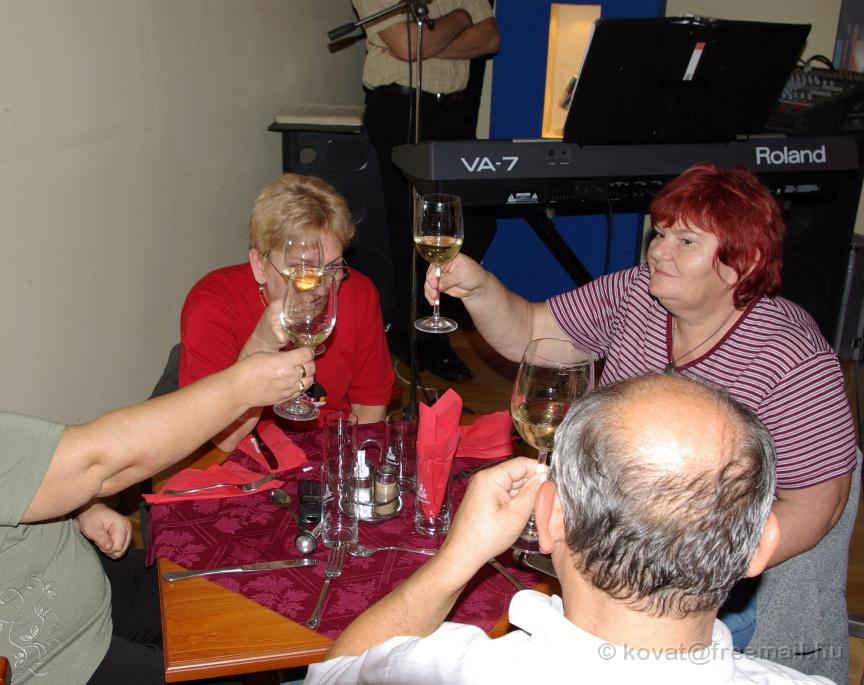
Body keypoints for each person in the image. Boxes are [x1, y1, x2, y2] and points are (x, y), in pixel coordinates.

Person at [0, 182, 315, 684]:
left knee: (256, 613)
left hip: (77, 587)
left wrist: (77, 507)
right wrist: (240, 387)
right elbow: (96, 461)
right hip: (37, 664)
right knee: (243, 657)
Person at [424, 162, 860, 681]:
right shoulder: (636, 293)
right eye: (661, 233)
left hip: (705, 580)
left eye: (686, 241)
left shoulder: (790, 356)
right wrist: (479, 288)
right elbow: (533, 332)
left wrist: (691, 573)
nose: (658, 251)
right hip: (617, 538)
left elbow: (817, 508)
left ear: (742, 263)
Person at [306, 374, 836, 684]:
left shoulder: (444, 670)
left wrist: (457, 558)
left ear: (550, 517)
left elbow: (332, 675)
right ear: (760, 546)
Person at [177, 173, 393, 450]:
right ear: (259, 265)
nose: (321, 288)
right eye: (303, 270)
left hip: (330, 449)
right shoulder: (212, 304)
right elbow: (225, 440)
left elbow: (369, 408)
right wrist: (260, 345)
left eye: (332, 268)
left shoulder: (359, 294)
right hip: (245, 455)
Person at [352, 0, 499, 382]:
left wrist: (428, 41)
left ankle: (434, 323)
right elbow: (407, 45)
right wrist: (461, 18)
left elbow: (489, 38)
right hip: (400, 106)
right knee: (408, 228)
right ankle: (418, 338)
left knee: (475, 221)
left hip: (453, 112)